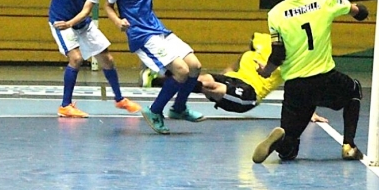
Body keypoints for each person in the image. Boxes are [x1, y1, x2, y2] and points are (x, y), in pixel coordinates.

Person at [251, 0, 369, 163]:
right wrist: (359, 10)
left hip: (296, 86)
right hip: (325, 79)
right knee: (353, 91)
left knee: (289, 151)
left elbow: (278, 54)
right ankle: (349, 145)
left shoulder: (275, 14)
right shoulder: (325, 0)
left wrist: (266, 71)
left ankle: (281, 142)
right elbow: (360, 12)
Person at [25, 0, 141, 118]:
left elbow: (87, 10)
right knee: (76, 58)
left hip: (79, 23)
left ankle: (120, 99)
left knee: (107, 59)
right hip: (59, 22)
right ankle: (65, 106)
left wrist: (71, 23)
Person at [104, 0, 204, 134]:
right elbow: (107, 5)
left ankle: (179, 108)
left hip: (157, 27)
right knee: (181, 71)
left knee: (195, 66)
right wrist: (117, 21)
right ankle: (154, 111)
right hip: (141, 34)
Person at [139, 32, 327, 122]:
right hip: (234, 78)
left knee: (209, 87)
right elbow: (241, 57)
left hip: (249, 94)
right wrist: (227, 72)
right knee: (204, 79)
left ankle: (158, 80)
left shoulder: (291, 58)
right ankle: (174, 103)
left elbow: (299, 86)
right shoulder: (264, 39)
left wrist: (308, 111)